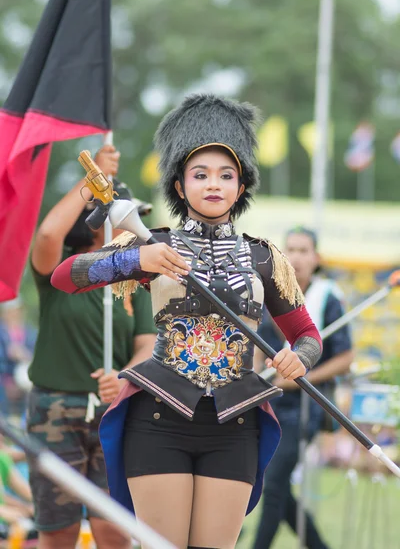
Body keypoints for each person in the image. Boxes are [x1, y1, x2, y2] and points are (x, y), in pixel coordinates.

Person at [52, 94, 323, 549]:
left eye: (226, 175)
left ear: (241, 187)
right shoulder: (152, 244)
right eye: (200, 175)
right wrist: (139, 257)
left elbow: (308, 337)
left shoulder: (264, 258)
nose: (212, 184)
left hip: (236, 423)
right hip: (157, 418)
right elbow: (65, 276)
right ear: (180, 186)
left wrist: (300, 359)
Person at [27, 145, 156, 549]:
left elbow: (148, 344)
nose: (133, 228)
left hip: (113, 415)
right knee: (59, 532)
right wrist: (95, 179)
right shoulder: (57, 272)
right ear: (97, 222)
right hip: (53, 414)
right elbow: (49, 233)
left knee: (113, 530)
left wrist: (124, 377)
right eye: (123, 217)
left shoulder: (134, 280)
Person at [252, 226, 353, 549]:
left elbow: (345, 358)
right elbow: (259, 345)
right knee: (275, 486)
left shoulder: (328, 297)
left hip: (305, 406)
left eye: (303, 250)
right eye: (290, 249)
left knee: (275, 482)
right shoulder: (271, 291)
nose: (295, 257)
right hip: (270, 400)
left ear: (316, 257)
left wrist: (302, 377)